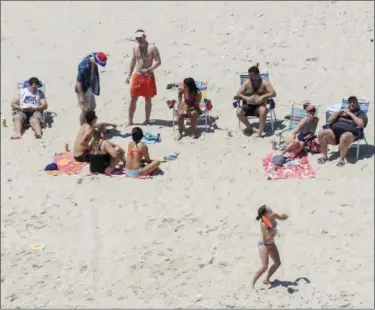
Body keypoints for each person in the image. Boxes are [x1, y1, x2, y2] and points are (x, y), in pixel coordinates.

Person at [317, 96, 368, 167]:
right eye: (350, 102)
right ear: (348, 104)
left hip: (349, 134)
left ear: (357, 104)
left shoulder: (360, 113)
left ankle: (341, 159)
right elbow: (329, 121)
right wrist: (339, 112)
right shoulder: (342, 112)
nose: (352, 104)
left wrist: (350, 114)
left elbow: (360, 124)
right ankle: (324, 156)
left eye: (354, 102)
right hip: (335, 134)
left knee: (344, 136)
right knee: (321, 133)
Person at [125, 29, 161, 126]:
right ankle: (130, 120)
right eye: (137, 38)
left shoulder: (152, 48)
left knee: (148, 99)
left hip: (147, 76)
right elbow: (133, 61)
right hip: (137, 76)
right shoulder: (135, 48)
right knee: (133, 99)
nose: (139, 39)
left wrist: (149, 69)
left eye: (140, 37)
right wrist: (129, 75)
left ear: (144, 36)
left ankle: (147, 120)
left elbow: (158, 61)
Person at [252, 205, 288, 289]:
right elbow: (266, 238)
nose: (271, 210)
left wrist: (284, 216)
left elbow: (282, 218)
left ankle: (266, 279)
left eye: (270, 209)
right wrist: (274, 234)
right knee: (264, 266)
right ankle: (252, 283)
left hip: (271, 244)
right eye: (269, 210)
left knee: (277, 263)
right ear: (265, 214)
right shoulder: (263, 224)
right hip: (263, 244)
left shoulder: (274, 216)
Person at [235, 64, 276, 137]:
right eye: (249, 75)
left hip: (259, 106)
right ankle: (251, 128)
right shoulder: (247, 82)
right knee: (238, 112)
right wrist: (246, 98)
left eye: (251, 75)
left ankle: (259, 132)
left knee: (263, 110)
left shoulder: (264, 83)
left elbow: (273, 93)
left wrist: (263, 96)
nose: (250, 77)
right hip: (248, 106)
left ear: (257, 74)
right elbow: (238, 93)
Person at [75, 52, 108, 125]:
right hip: (83, 91)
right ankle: (83, 128)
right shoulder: (84, 67)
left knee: (93, 106)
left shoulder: (94, 55)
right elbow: (78, 83)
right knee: (84, 111)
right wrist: (82, 97)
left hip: (89, 87)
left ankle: (89, 123)